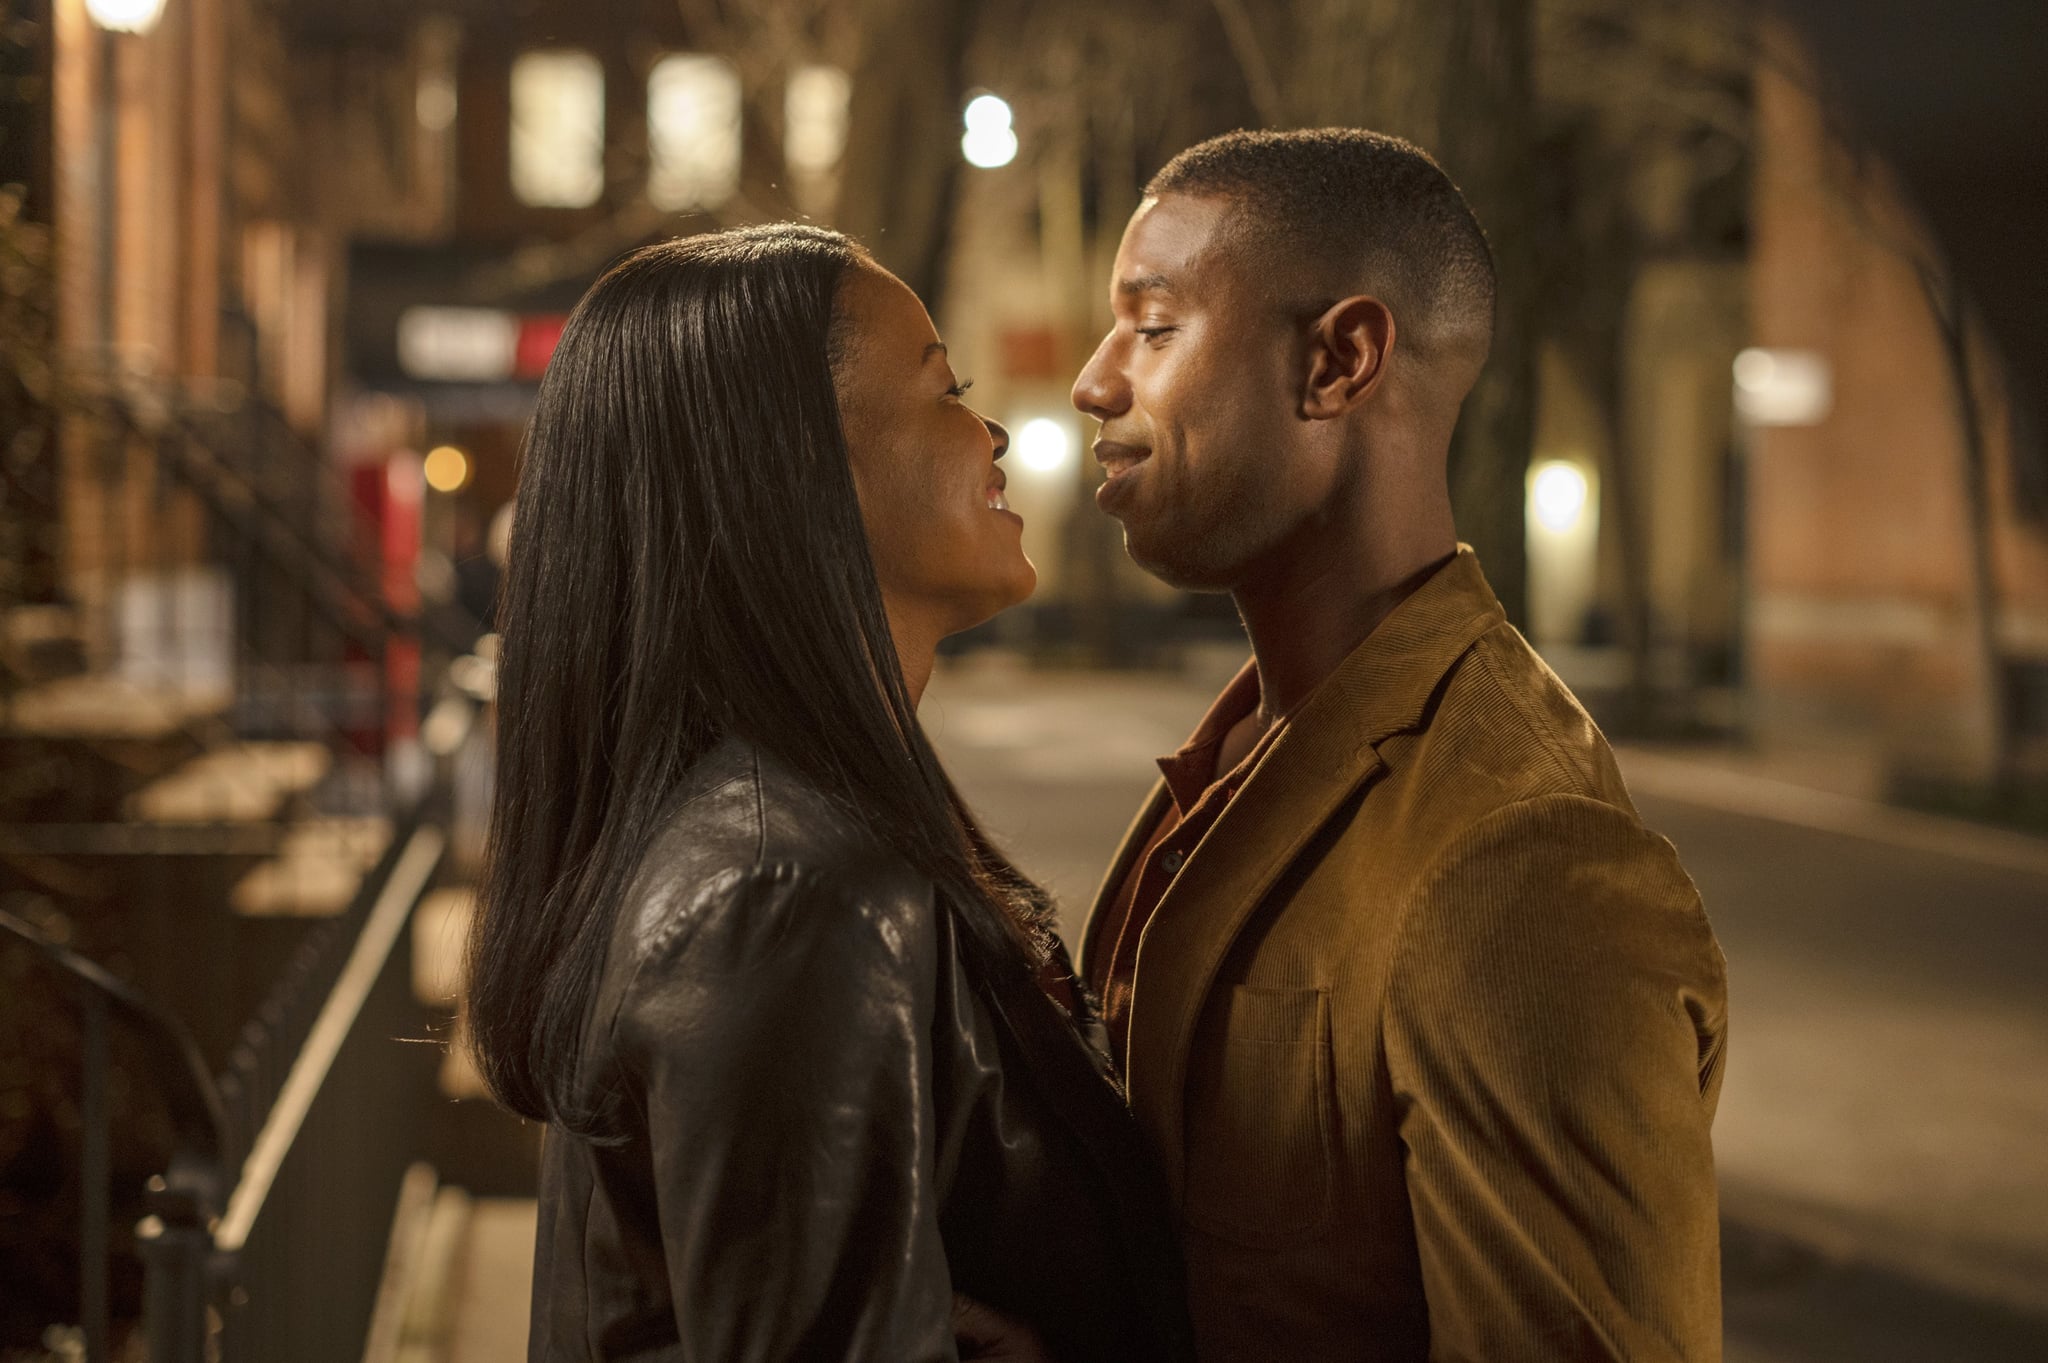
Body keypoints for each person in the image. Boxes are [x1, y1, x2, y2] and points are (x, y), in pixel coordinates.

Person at [465, 224, 1191, 1363]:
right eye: (945, 389)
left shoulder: (781, 835)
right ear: (795, 464)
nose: (992, 431)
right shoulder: (781, 890)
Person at [1068, 129, 1729, 1360]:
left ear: (1338, 361)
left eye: (1152, 328)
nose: (1094, 382)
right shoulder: (1244, 745)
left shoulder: (1514, 854)